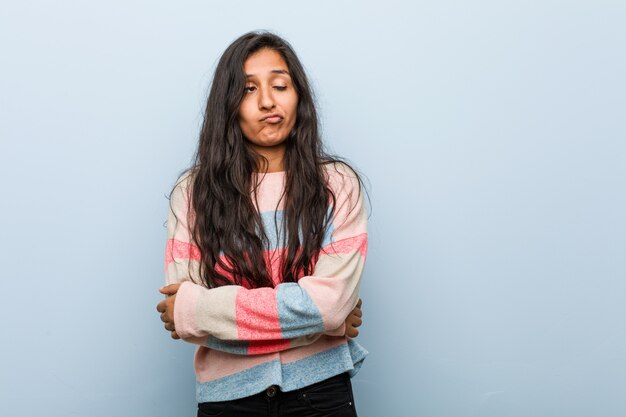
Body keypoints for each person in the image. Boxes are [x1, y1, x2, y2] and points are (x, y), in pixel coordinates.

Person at [156, 30, 369, 417]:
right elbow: (180, 311)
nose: (268, 101)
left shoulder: (337, 185)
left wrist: (202, 309)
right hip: (227, 399)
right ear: (229, 105)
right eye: (249, 89)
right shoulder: (193, 193)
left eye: (280, 85)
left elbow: (330, 306)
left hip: (320, 395)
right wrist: (319, 322)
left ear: (299, 95)